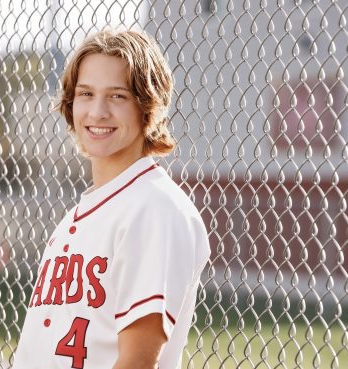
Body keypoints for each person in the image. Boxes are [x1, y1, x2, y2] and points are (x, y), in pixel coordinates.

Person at [12, 28, 210, 369]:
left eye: (117, 96)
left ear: (148, 105)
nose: (98, 111)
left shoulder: (154, 209)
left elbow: (137, 361)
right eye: (86, 93)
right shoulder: (78, 216)